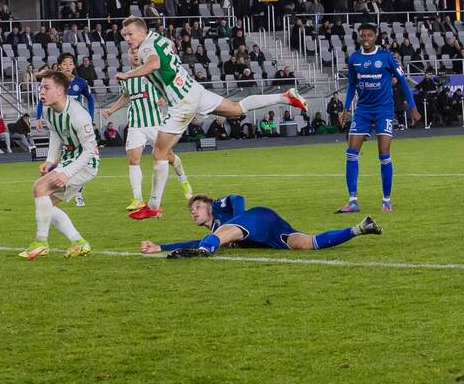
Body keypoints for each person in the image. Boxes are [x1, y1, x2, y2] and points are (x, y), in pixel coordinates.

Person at [117, 16, 306, 220]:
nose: (127, 39)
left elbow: (153, 63)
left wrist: (129, 75)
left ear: (141, 31)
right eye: (124, 35)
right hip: (194, 90)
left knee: (159, 153)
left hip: (182, 102)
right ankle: (285, 97)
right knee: (236, 109)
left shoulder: (145, 48)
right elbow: (170, 45)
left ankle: (153, 206)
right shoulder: (157, 38)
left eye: (130, 34)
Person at [337, 22, 421, 214]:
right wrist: (346, 109)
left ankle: (386, 200)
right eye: (362, 35)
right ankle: (352, 201)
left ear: (375, 37)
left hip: (384, 110)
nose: (365, 38)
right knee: (351, 152)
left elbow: (403, 81)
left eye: (369, 35)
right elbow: (351, 85)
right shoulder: (354, 59)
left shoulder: (386, 57)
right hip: (363, 110)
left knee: (384, 154)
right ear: (359, 38)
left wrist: (413, 107)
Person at [139, 193, 382, 258]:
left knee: (225, 235)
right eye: (192, 210)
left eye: (197, 207)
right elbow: (193, 241)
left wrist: (238, 220)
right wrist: (160, 246)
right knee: (307, 244)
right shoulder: (216, 232)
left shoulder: (220, 206)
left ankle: (204, 253)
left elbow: (238, 199)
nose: (194, 211)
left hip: (257, 218)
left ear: (208, 205)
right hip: (272, 233)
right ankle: (360, 228)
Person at [18, 71, 99, 260]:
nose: (41, 92)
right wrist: (50, 159)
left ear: (61, 91)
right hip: (68, 159)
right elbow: (55, 134)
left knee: (39, 188)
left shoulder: (79, 115)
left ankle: (41, 242)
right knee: (46, 205)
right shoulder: (48, 111)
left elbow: (89, 151)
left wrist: (67, 173)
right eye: (40, 88)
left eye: (46, 88)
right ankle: (79, 242)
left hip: (85, 163)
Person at [101, 49, 191, 212]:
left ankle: (184, 181)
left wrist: (165, 98)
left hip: (155, 124)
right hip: (136, 124)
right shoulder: (126, 77)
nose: (135, 55)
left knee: (170, 158)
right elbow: (127, 96)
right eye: (131, 53)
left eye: (137, 52)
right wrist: (112, 110)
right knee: (133, 159)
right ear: (128, 56)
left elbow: (169, 87)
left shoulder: (153, 72)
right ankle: (137, 199)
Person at [34, 53, 94, 205]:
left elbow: (89, 151)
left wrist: (90, 117)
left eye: (70, 63)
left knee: (41, 191)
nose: (68, 66)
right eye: (65, 63)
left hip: (82, 153)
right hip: (68, 148)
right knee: (44, 199)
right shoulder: (50, 108)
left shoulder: (79, 110)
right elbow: (54, 131)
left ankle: (78, 193)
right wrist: (38, 117)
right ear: (59, 65)